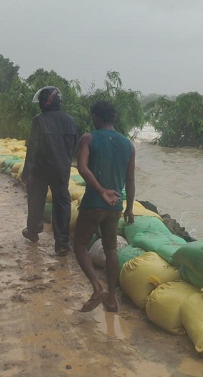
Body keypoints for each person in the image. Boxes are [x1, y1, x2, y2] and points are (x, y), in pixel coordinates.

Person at [72, 100, 135, 312]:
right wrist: (130, 208)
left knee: (79, 245)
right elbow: (130, 180)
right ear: (114, 119)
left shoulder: (88, 138)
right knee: (111, 249)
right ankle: (111, 299)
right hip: (116, 205)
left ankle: (97, 287)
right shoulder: (128, 144)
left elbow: (81, 168)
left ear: (95, 118)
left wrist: (100, 191)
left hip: (94, 204)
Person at [21, 86, 78, 256]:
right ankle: (61, 243)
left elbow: (33, 147)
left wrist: (27, 171)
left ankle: (33, 230)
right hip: (62, 169)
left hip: (41, 168)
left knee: (36, 199)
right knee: (62, 203)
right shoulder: (70, 120)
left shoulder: (39, 120)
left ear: (46, 102)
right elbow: (74, 145)